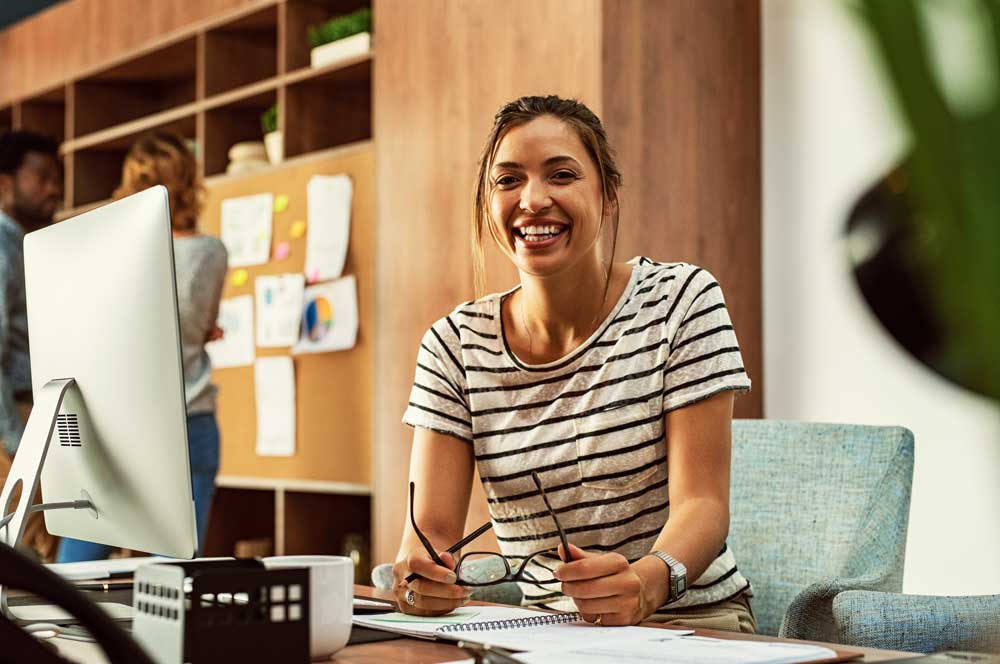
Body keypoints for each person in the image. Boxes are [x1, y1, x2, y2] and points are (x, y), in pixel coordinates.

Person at [392, 95, 756, 633]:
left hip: (690, 619)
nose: (533, 200)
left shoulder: (682, 301)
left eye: (561, 175)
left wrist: (648, 582)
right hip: (544, 633)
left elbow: (703, 504)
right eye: (508, 180)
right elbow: (430, 531)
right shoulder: (453, 345)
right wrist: (420, 580)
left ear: (609, 195)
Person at [57, 131, 227, 562]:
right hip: (192, 422)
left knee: (75, 571)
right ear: (190, 182)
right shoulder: (210, 253)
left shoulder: (109, 252)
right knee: (172, 579)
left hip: (120, 426)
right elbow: (199, 324)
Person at [0, 130, 63, 561]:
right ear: (4, 183)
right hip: (15, 427)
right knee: (29, 566)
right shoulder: (2, 243)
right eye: (42, 176)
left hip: (28, 421)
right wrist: (12, 444)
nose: (54, 188)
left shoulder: (29, 243)